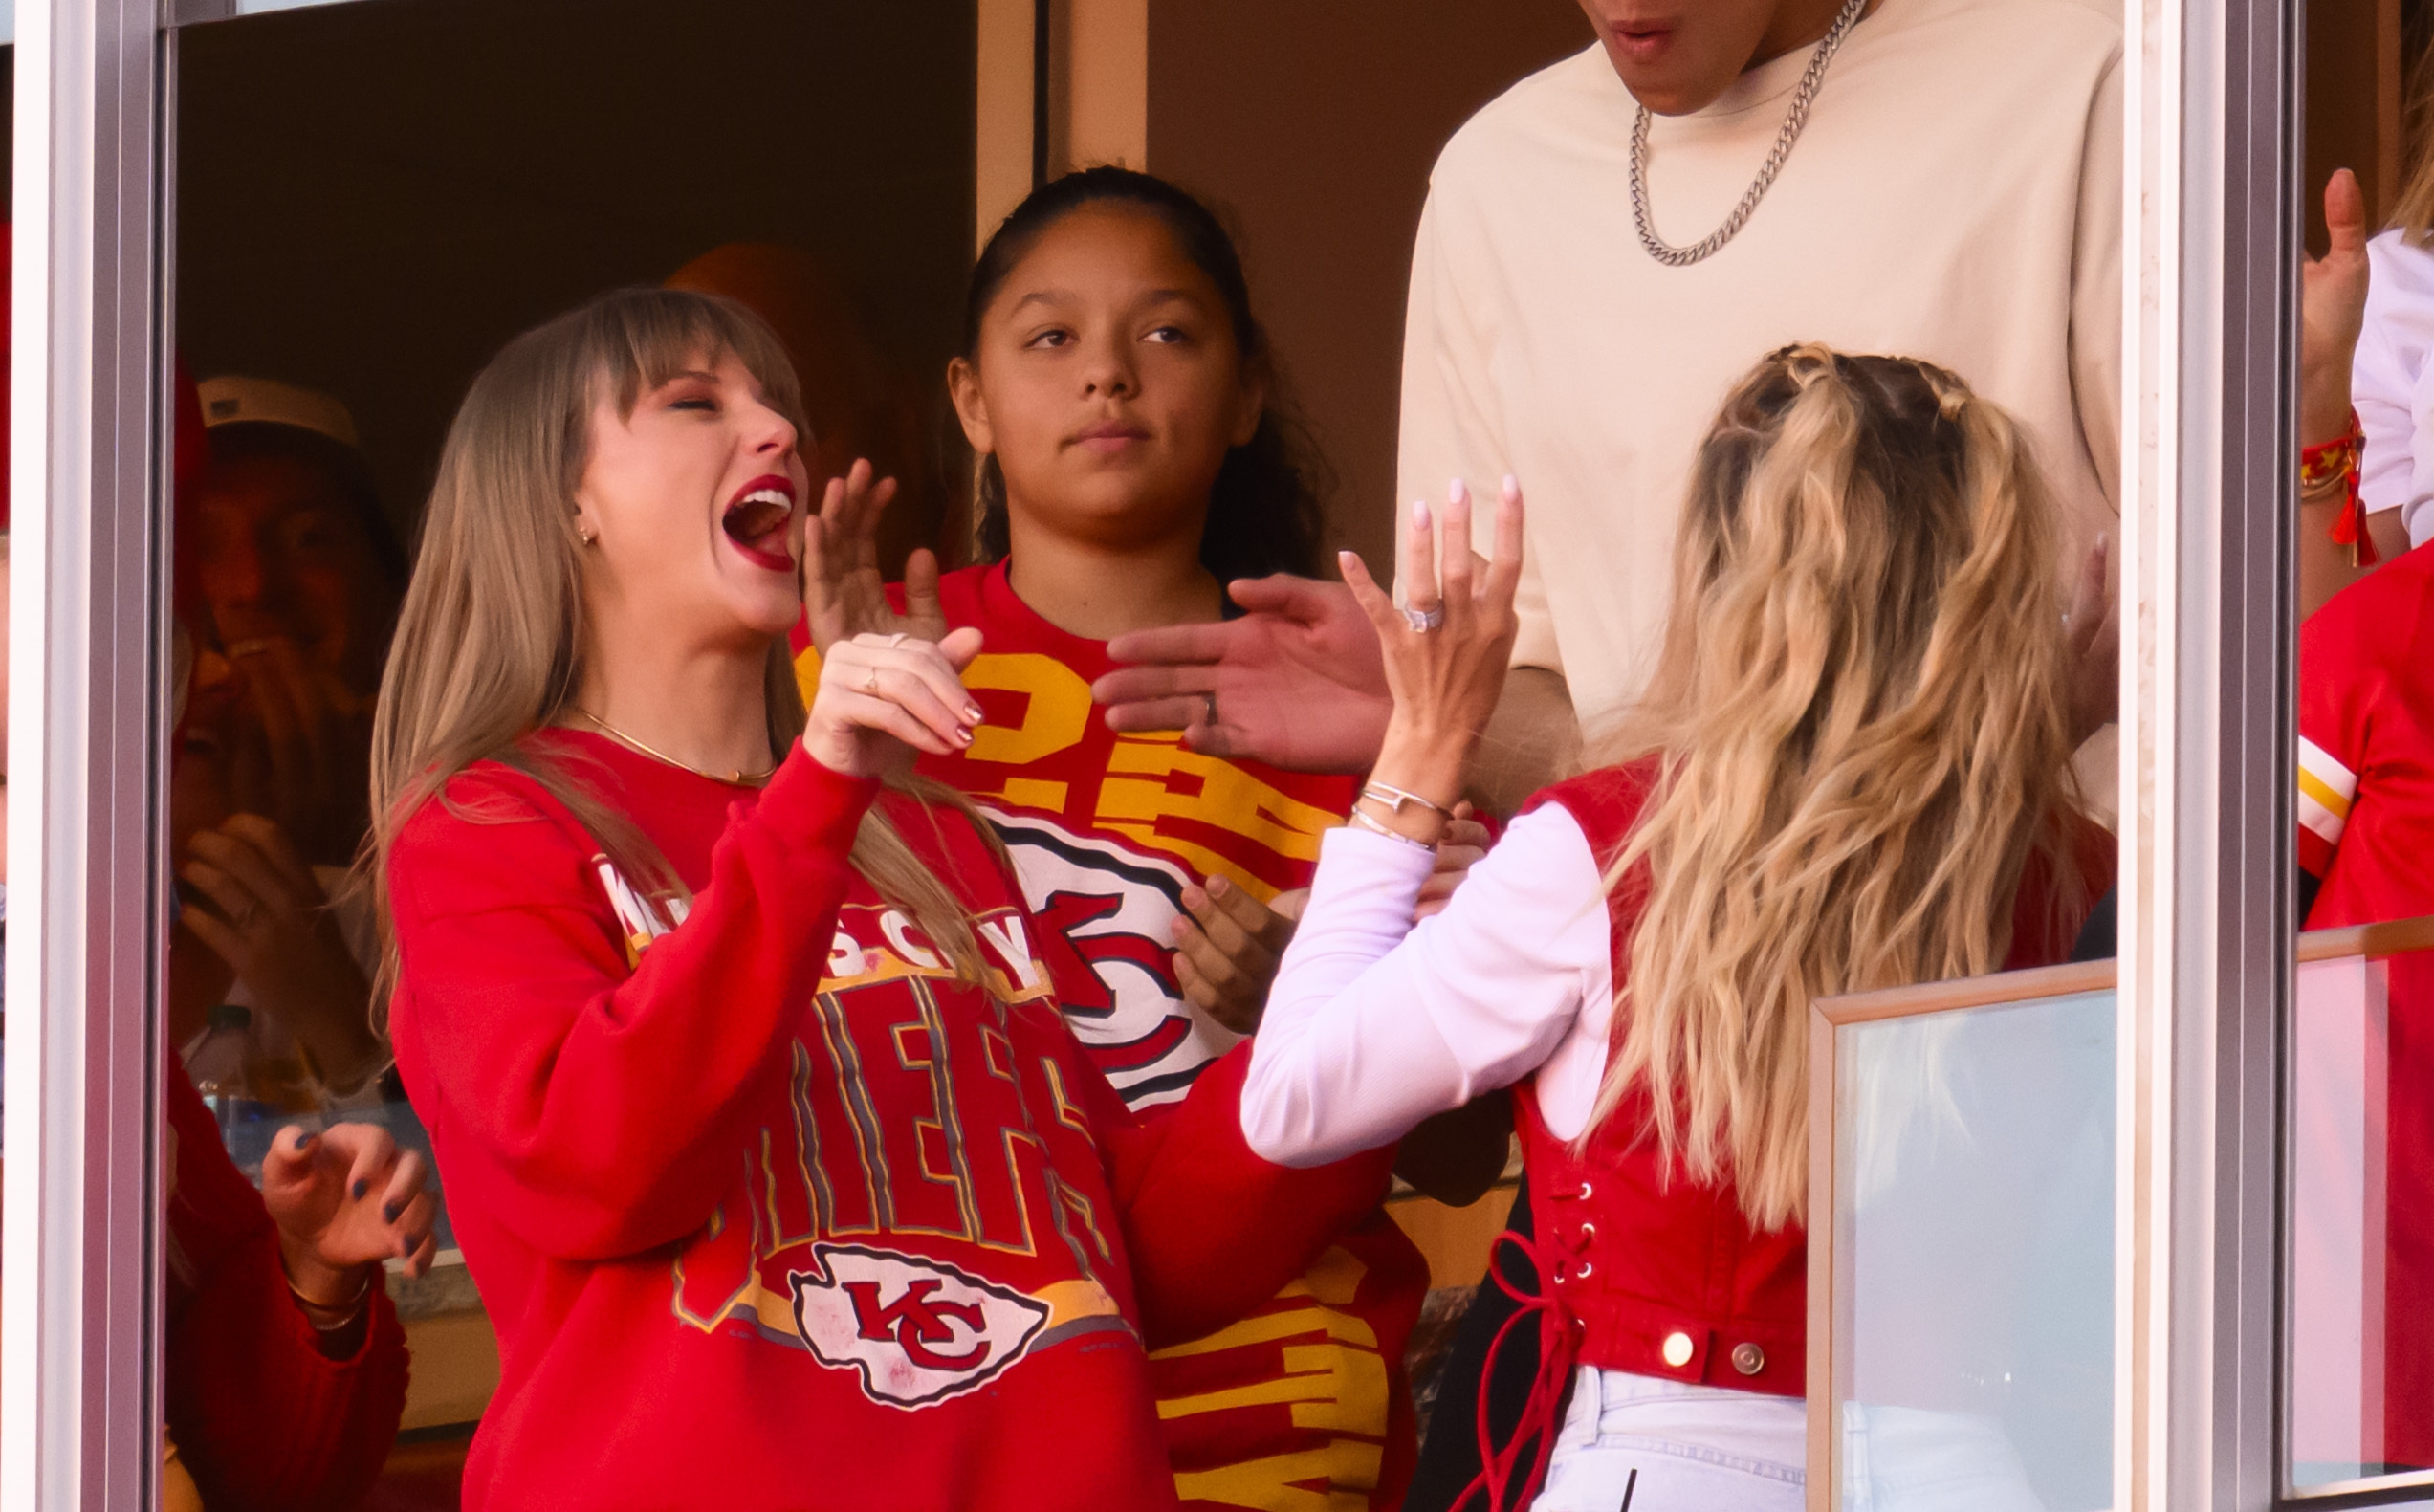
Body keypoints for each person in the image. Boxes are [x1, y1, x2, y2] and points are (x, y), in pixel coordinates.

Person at [370, 286, 1393, 1510]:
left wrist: (1376, 996)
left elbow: (1114, 1252)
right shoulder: (488, 820)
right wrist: (819, 794)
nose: (777, 434)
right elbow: (596, 1162)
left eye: (780, 406)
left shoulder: (928, 835)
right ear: (565, 503)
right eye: (697, 403)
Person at [1239, 346, 2111, 1509]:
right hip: (1978, 1473)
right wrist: (2027, 758)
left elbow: (1293, 1098)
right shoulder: (2086, 874)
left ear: (1722, 576)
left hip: (1667, 1466)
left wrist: (1422, 746)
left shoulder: (1600, 852)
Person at [800, 165, 1502, 1512]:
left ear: (1245, 394)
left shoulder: (1361, 706)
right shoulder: (846, 665)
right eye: (1051, 338)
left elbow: (1465, 1154)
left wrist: (1312, 1007)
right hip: (934, 1395)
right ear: (969, 401)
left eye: (1166, 334)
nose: (1108, 378)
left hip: (1269, 1409)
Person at [1096, 0, 2123, 815]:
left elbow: (2215, 600)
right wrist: (1431, 714)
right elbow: (1544, 686)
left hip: (2044, 962)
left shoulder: (2077, 79)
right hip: (1669, 989)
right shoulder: (1497, 176)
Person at [173, 377, 410, 1097]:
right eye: (199, 546)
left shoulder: (479, 833)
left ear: (391, 593)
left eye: (307, 538)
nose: (251, 587)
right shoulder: (55, 907)